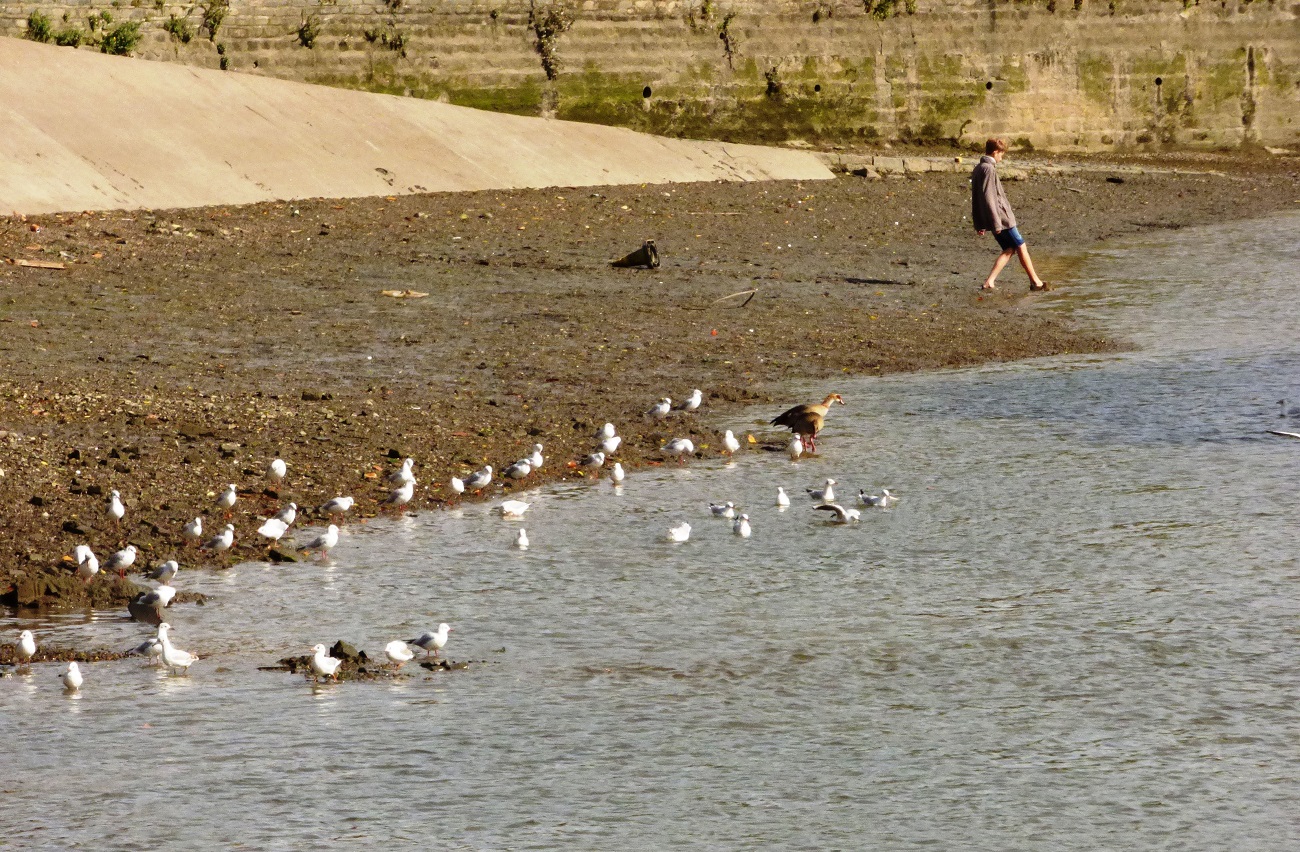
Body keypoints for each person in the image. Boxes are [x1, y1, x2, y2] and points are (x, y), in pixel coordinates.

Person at [971, 138, 1049, 292]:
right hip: (1002, 218)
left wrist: (980, 223)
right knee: (1021, 245)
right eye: (1001, 154)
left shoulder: (978, 168)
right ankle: (1036, 282)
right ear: (995, 152)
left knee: (1009, 249)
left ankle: (989, 282)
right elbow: (989, 198)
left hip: (995, 219)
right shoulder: (989, 169)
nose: (1002, 157)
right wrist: (995, 223)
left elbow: (977, 199)